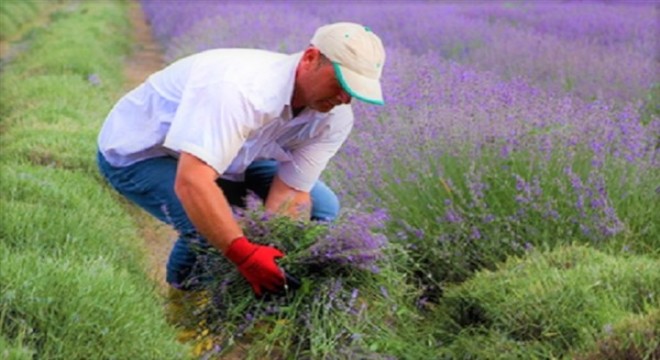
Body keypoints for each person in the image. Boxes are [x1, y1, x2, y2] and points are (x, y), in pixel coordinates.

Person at [96, 22, 386, 297]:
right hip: (143, 153)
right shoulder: (239, 89)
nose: (344, 99)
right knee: (211, 227)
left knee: (323, 207)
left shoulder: (334, 117)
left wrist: (276, 251)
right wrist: (244, 254)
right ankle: (183, 298)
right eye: (341, 84)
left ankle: (249, 292)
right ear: (310, 58)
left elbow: (292, 193)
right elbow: (193, 181)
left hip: (231, 156)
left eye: (354, 92)